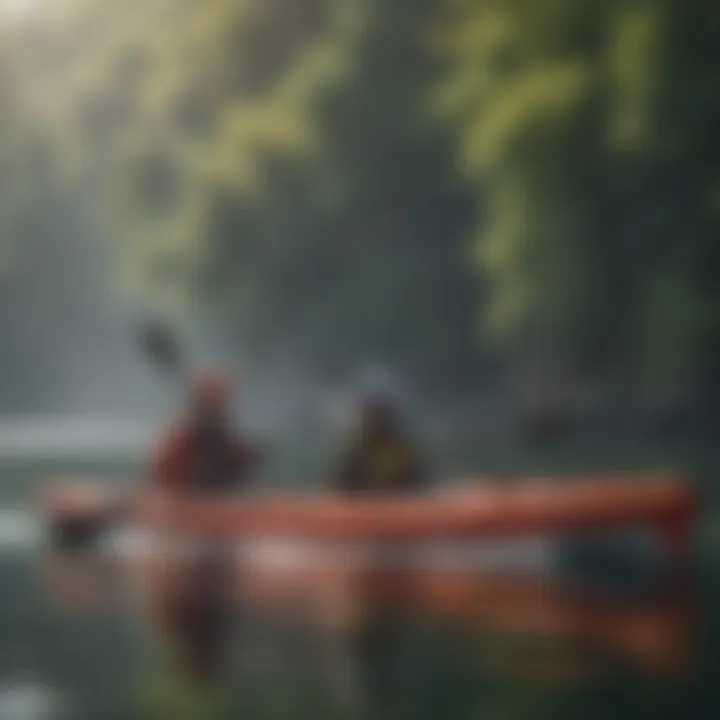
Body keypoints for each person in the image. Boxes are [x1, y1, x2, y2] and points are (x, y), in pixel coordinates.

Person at [151, 368, 263, 496]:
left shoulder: (226, 433)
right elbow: (164, 478)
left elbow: (240, 470)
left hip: (222, 496)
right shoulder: (182, 436)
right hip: (188, 497)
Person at [333, 385, 427, 496]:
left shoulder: (404, 452)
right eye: (376, 418)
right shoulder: (357, 453)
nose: (380, 424)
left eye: (383, 418)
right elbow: (343, 486)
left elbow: (419, 485)